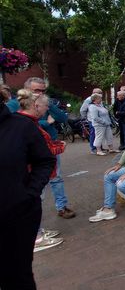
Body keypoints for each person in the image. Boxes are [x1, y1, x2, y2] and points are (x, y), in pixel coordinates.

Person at [0, 84, 55, 290]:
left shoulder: (20, 127)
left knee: (15, 276)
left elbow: (45, 161)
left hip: (15, 215)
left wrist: (29, 193)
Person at [7, 77, 76, 219]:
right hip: (30, 150)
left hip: (50, 145)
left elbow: (62, 118)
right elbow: (17, 123)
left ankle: (61, 207)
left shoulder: (46, 102)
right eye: (36, 90)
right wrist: (45, 122)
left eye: (43, 90)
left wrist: (47, 105)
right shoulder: (14, 104)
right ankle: (34, 225)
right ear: (26, 90)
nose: (40, 93)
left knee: (56, 177)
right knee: (35, 183)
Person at [15, 89, 65, 252]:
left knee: (36, 201)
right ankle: (35, 238)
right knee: (33, 202)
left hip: (30, 172)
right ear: (36, 106)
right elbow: (40, 152)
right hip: (32, 173)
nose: (45, 111)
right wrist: (59, 147)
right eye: (44, 107)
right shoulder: (28, 124)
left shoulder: (24, 122)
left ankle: (37, 231)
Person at [80, 88, 103, 154]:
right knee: (93, 134)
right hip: (92, 120)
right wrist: (86, 118)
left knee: (98, 134)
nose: (101, 95)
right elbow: (82, 110)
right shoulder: (89, 100)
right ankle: (93, 148)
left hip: (99, 119)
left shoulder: (99, 99)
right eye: (99, 93)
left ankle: (99, 147)